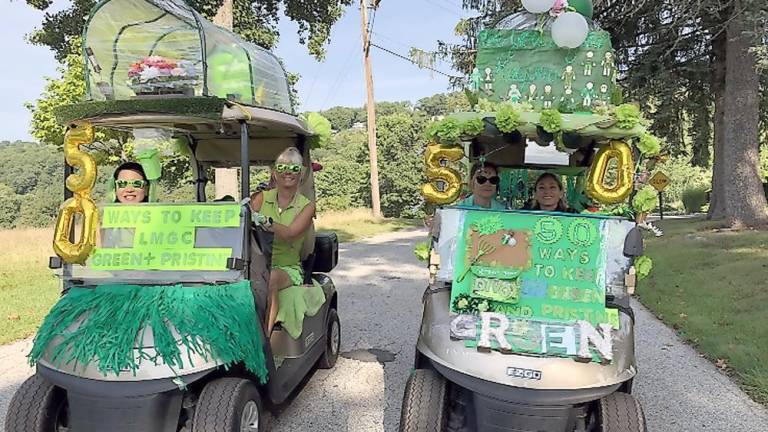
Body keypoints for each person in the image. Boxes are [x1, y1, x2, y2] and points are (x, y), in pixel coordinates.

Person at [250, 147, 316, 334]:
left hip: (286, 267)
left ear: (301, 174)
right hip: (256, 261)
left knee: (269, 279)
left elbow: (289, 234)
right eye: (282, 167)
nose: (288, 172)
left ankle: (263, 339)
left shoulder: (307, 206)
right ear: (274, 172)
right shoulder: (261, 198)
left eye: (294, 168)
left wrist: (265, 221)